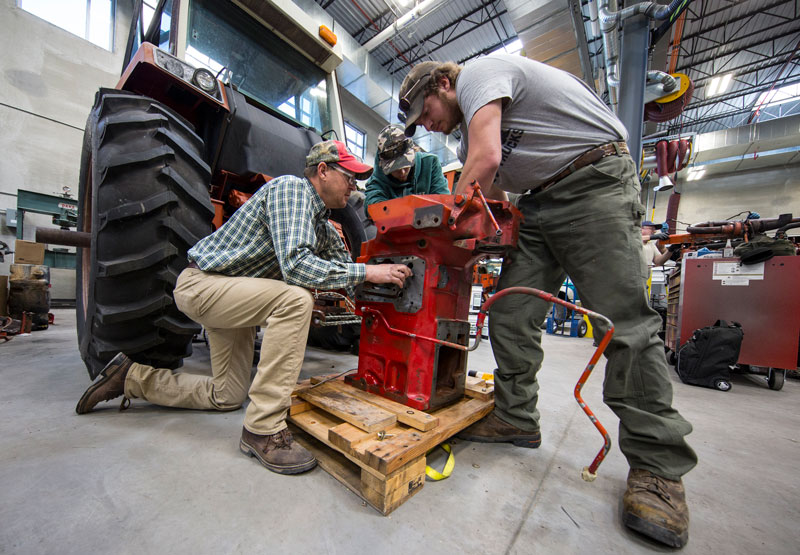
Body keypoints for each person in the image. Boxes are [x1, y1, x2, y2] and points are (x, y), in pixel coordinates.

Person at [397, 56, 696, 548]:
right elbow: (489, 194)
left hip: (593, 182)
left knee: (622, 325)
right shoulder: (466, 135)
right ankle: (516, 416)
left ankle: (658, 468)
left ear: (443, 83)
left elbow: (486, 161)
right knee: (510, 312)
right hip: (536, 205)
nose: (426, 125)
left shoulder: (478, 76)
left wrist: (443, 225)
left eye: (424, 112)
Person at [75, 140, 412, 475]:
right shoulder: (292, 189)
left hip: (234, 299)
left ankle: (131, 378)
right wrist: (368, 272)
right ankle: (264, 429)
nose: (354, 186)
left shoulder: (322, 226)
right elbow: (297, 267)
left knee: (226, 396)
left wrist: (381, 285)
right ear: (322, 171)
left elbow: (346, 272)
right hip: (203, 284)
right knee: (295, 299)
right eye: (349, 177)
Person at [364, 124, 451, 213]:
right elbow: (371, 203)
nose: (402, 172)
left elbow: (443, 200)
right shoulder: (379, 178)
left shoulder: (430, 164)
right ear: (383, 166)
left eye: (406, 166)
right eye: (395, 170)